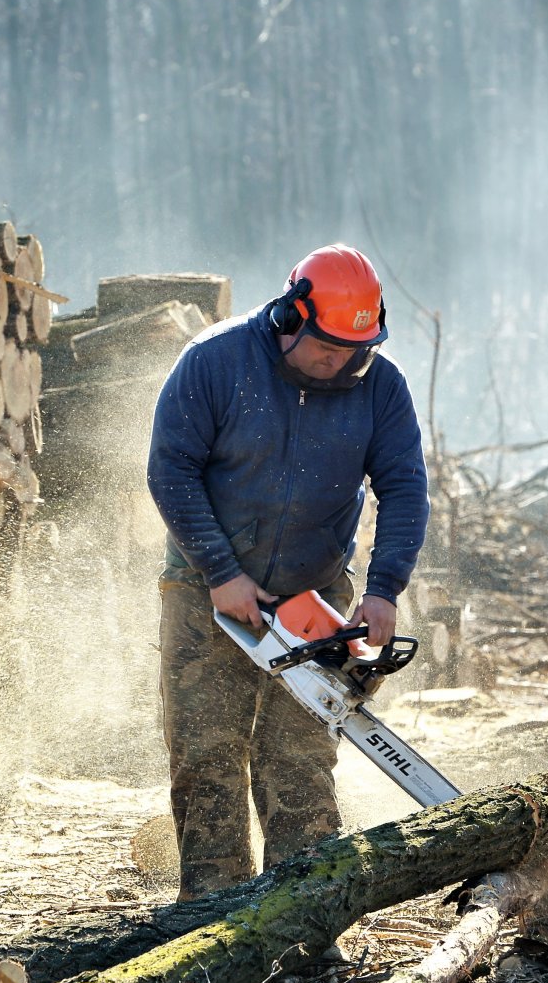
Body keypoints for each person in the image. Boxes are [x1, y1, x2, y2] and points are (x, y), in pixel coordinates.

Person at [147, 245, 429, 901]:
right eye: (328, 347)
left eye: (356, 348)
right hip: (204, 592)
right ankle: (213, 907)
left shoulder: (379, 386)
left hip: (314, 595)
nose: (341, 362)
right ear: (289, 316)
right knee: (207, 753)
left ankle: (303, 907)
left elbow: (405, 489)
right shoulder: (216, 362)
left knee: (298, 757)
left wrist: (384, 589)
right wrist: (219, 569)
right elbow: (171, 470)